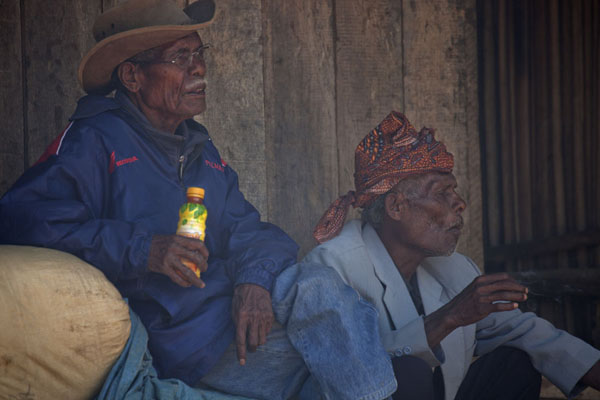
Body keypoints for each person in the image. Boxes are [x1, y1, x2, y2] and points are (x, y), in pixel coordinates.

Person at [0, 1, 397, 399]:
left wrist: (254, 282)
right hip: (185, 342)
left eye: (199, 54)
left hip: (230, 324)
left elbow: (249, 231)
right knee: (344, 348)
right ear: (133, 75)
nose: (200, 69)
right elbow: (23, 221)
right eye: (180, 57)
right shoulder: (95, 139)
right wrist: (143, 250)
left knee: (326, 303)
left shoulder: (198, 147)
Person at [306, 111, 600, 400]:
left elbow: (522, 331)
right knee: (407, 372)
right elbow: (351, 375)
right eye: (441, 193)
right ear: (396, 207)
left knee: (514, 363)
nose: (459, 203)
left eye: (454, 191)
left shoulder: (455, 268)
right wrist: (451, 316)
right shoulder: (332, 266)